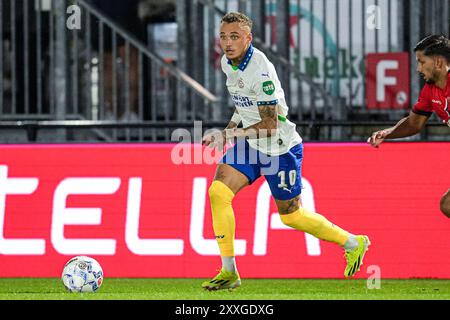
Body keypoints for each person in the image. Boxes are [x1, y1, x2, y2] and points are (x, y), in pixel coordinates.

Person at [201, 12, 370, 291]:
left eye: (234, 37)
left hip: (279, 147)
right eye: (223, 36)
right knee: (218, 192)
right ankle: (229, 271)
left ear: (248, 39)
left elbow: (268, 124)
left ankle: (353, 242)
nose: (227, 43)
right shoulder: (227, 63)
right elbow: (244, 105)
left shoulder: (260, 69)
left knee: (291, 215)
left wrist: (228, 133)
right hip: (251, 143)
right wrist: (229, 129)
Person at [368, 34, 450, 218]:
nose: (418, 68)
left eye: (422, 62)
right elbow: (414, 123)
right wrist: (387, 133)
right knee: (447, 204)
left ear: (437, 62)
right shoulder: (431, 91)